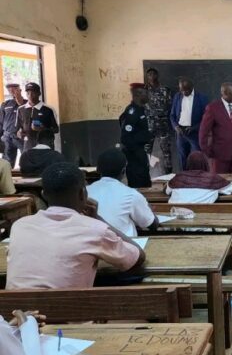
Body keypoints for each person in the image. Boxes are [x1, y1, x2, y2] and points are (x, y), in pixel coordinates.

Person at [6, 162, 145, 289]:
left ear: (44, 195)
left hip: (15, 309)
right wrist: (98, 219)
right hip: (70, 309)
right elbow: (138, 258)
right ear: (82, 194)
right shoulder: (95, 229)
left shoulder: (19, 226)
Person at [87, 148, 158, 237]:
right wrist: (150, 211)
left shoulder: (85, 192)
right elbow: (152, 225)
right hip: (122, 244)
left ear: (97, 170)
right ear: (123, 171)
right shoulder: (131, 194)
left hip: (90, 242)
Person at [199, 82, 232, 174]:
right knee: (220, 181)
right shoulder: (213, 108)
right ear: (224, 93)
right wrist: (207, 151)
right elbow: (203, 131)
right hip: (220, 156)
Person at [167, 152, 232, 204]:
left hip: (175, 216)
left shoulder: (178, 178)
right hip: (203, 218)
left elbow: (166, 189)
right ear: (206, 164)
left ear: (188, 164)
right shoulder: (213, 179)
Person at [119, 83, 152, 188]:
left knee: (145, 183)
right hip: (134, 157)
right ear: (138, 94)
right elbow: (125, 138)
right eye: (146, 93)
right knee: (138, 185)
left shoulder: (140, 109)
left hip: (141, 153)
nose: (148, 96)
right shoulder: (132, 112)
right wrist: (137, 153)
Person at [170, 77, 207, 171]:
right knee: (182, 157)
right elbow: (172, 115)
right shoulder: (177, 96)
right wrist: (175, 127)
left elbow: (206, 118)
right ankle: (184, 176)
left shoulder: (201, 97)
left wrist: (195, 128)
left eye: (186, 90)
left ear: (192, 87)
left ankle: (197, 177)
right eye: (181, 90)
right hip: (180, 132)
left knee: (197, 158)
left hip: (194, 132)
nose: (183, 92)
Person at [15, 82, 59, 152]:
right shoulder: (21, 109)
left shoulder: (48, 109)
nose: (30, 95)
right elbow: (17, 128)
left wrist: (43, 129)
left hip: (45, 147)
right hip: (28, 147)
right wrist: (19, 133)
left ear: (39, 93)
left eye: (33, 93)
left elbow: (56, 129)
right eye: (28, 93)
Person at [145, 68, 173, 173]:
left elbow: (170, 105)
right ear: (147, 77)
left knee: (166, 151)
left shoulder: (165, 90)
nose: (152, 76)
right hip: (149, 125)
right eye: (149, 74)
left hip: (163, 125)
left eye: (153, 74)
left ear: (157, 75)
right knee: (146, 151)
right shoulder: (143, 91)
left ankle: (168, 173)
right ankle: (145, 173)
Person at [0, 83, 25, 167]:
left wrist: (20, 102)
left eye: (14, 90)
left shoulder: (27, 103)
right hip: (7, 136)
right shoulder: (5, 104)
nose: (12, 92)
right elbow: (1, 121)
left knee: (26, 158)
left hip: (21, 137)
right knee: (7, 162)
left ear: (20, 90)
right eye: (10, 90)